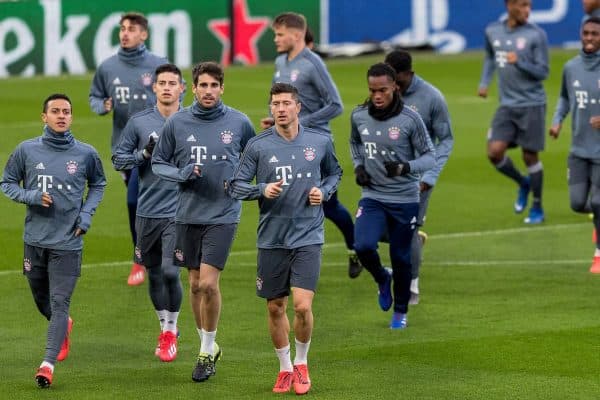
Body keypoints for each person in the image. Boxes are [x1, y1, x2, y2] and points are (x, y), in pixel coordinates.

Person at [230, 82, 342, 395]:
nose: (280, 109)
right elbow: (236, 186)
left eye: (285, 104)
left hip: (308, 235)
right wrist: (260, 190)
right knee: (275, 308)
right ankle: (284, 367)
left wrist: (325, 191)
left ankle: (302, 362)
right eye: (275, 104)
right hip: (272, 238)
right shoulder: (258, 146)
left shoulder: (319, 141)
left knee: (303, 307)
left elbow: (335, 173)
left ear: (298, 107)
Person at [152, 61, 255, 382]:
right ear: (192, 88)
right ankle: (207, 345)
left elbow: (255, 158)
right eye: (203, 86)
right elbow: (158, 162)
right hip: (186, 215)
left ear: (222, 88)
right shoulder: (177, 123)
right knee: (195, 285)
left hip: (223, 214)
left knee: (209, 283)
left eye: (214, 85)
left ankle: (206, 350)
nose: (208, 91)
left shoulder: (239, 123)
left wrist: (243, 185)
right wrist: (180, 174)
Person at [1, 94, 106, 388]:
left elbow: (98, 183)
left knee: (60, 302)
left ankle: (47, 365)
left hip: (68, 242)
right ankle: (63, 327)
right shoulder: (26, 151)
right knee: (41, 298)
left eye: (67, 112)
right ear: (44, 117)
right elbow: (7, 182)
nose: (62, 116)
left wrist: (86, 215)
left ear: (72, 117)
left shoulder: (86, 154)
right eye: (55, 111)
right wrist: (30, 196)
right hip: (34, 240)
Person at [260, 12, 361, 279]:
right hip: (285, 143)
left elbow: (335, 105)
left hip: (313, 145)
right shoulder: (281, 61)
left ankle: (355, 248)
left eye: (280, 34)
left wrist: (300, 121)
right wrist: (275, 120)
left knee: (327, 205)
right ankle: (293, 260)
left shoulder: (313, 63)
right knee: (285, 199)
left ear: (296, 35)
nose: (276, 39)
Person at [350, 63, 435, 329]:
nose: (377, 96)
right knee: (362, 245)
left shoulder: (410, 120)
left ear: (395, 87)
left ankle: (400, 312)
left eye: (383, 90)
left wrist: (406, 167)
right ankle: (381, 278)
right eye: (373, 90)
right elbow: (355, 143)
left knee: (401, 257)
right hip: (373, 196)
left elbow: (430, 156)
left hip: (404, 199)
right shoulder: (359, 115)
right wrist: (359, 166)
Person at [112, 63, 185, 361]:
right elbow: (118, 159)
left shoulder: (193, 121)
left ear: (183, 88)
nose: (167, 87)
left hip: (180, 212)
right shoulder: (139, 122)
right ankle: (165, 328)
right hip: (148, 210)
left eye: (172, 83)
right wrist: (143, 154)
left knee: (170, 271)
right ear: (153, 88)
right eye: (162, 83)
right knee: (155, 274)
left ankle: (172, 328)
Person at [89, 12, 168, 286]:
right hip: (125, 148)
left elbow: (177, 92)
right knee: (143, 202)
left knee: (138, 200)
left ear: (143, 34)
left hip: (159, 146)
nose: (125, 33)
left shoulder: (159, 64)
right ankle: (149, 252)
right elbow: (95, 95)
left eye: (131, 29)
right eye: (122, 29)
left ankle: (144, 257)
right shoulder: (108, 66)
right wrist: (102, 106)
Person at [385, 49, 454, 305]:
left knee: (407, 227)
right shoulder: (385, 93)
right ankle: (415, 243)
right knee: (375, 231)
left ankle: (411, 285)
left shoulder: (432, 98)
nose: (393, 86)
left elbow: (446, 139)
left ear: (409, 74)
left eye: (397, 80)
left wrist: (431, 175)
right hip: (386, 176)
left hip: (418, 177)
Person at [478, 0, 549, 224]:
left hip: (532, 104)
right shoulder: (492, 30)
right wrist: (484, 82)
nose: (527, 10)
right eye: (523, 5)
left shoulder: (536, 35)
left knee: (530, 156)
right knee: (494, 152)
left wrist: (520, 62)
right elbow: (491, 56)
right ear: (510, 5)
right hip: (507, 105)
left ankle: (537, 206)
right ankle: (523, 183)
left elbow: (543, 72)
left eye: (529, 5)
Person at [549, 17, 600, 273]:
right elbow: (564, 98)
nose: (589, 38)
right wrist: (557, 120)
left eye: (595, 34)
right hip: (579, 149)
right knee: (578, 203)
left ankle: (599, 255)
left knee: (599, 202)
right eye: (586, 33)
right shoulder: (571, 67)